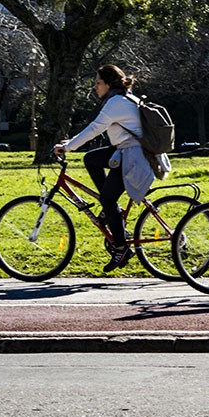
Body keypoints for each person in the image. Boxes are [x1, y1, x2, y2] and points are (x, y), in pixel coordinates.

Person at [54, 65, 155, 273]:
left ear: (108, 85)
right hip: (128, 152)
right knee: (91, 159)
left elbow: (95, 128)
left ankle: (121, 248)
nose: (95, 87)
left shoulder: (116, 102)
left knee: (109, 200)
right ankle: (109, 209)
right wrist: (71, 142)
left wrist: (67, 147)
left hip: (132, 157)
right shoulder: (125, 98)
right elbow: (98, 129)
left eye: (98, 83)